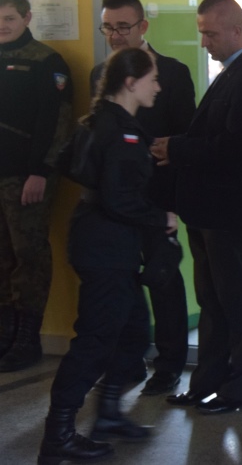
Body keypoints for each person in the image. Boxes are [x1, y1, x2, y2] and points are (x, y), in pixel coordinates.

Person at [38, 47, 175, 464]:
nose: (158, 86)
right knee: (94, 342)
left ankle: (109, 415)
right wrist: (161, 217)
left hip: (103, 244)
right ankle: (58, 436)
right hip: (105, 249)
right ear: (130, 83)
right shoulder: (120, 131)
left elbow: (67, 162)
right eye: (152, 79)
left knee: (133, 332)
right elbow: (119, 200)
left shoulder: (100, 121)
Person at [151, 0, 242, 415]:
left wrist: (178, 149)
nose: (204, 42)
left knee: (241, 304)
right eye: (201, 33)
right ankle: (206, 384)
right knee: (213, 303)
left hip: (233, 214)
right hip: (211, 213)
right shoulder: (233, 73)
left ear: (237, 31)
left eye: (210, 34)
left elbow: (236, 147)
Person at [90, 0, 195, 396]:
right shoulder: (99, 73)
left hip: (157, 195)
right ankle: (127, 363)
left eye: (123, 26)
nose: (115, 35)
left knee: (162, 279)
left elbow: (186, 134)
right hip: (115, 200)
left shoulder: (172, 72)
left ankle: (169, 365)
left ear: (142, 27)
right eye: (108, 27)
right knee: (121, 283)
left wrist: (167, 156)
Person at [0, 0, 74, 373]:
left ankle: (27, 340)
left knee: (28, 255)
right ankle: (5, 334)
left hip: (26, 177)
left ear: (27, 17)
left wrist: (41, 171)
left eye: (9, 18)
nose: (2, 25)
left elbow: (58, 124)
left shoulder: (47, 61)